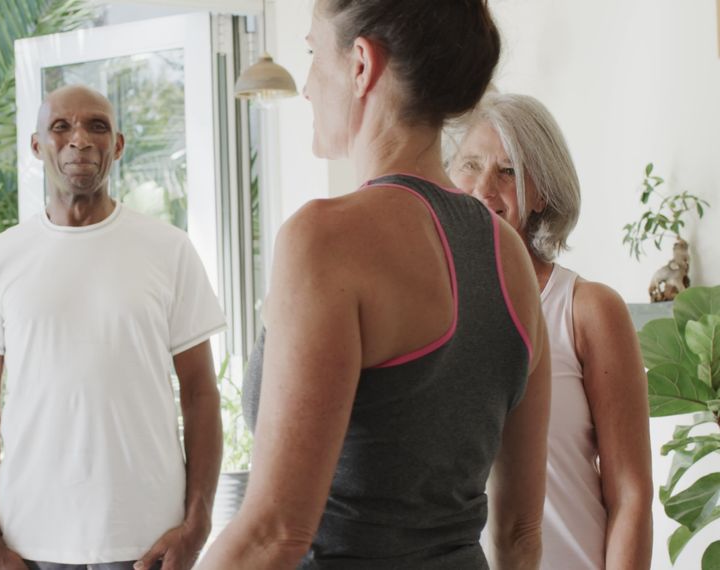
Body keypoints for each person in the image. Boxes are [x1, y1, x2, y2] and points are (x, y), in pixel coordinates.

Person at [201, 1, 552, 569]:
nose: (308, 87)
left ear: (361, 65)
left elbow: (274, 533)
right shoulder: (508, 253)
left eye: (314, 53)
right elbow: (520, 532)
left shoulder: (325, 239)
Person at [0, 85, 226, 570]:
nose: (80, 139)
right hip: (30, 545)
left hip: (148, 543)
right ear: (37, 146)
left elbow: (200, 392)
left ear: (117, 145)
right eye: (60, 127)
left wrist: (196, 528)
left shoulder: (169, 250)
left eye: (97, 125)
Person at [449, 92, 653, 570]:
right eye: (469, 164)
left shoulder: (587, 309)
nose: (483, 187)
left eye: (508, 171)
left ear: (541, 193)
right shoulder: (428, 310)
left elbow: (631, 493)